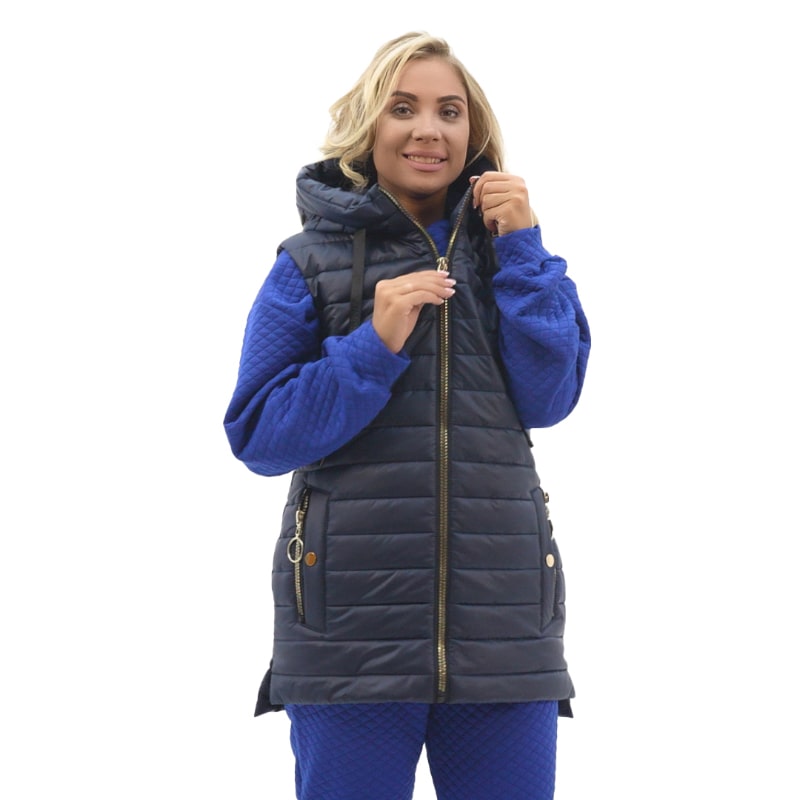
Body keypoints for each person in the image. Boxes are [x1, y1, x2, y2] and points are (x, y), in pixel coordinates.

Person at [224, 31, 590, 800]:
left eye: (449, 111)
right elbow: (258, 435)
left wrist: (524, 250)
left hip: (505, 637)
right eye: (404, 108)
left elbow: (551, 397)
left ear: (472, 129)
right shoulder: (308, 264)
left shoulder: (513, 254)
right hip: (346, 641)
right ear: (370, 124)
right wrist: (372, 346)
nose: (428, 129)